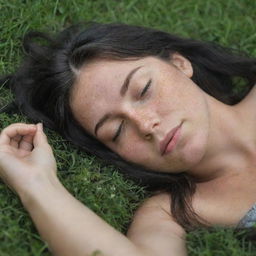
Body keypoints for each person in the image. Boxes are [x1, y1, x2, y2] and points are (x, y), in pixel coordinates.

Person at [0, 22, 256, 256]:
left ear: (179, 63)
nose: (145, 125)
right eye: (117, 131)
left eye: (143, 90)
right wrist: (35, 183)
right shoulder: (167, 214)